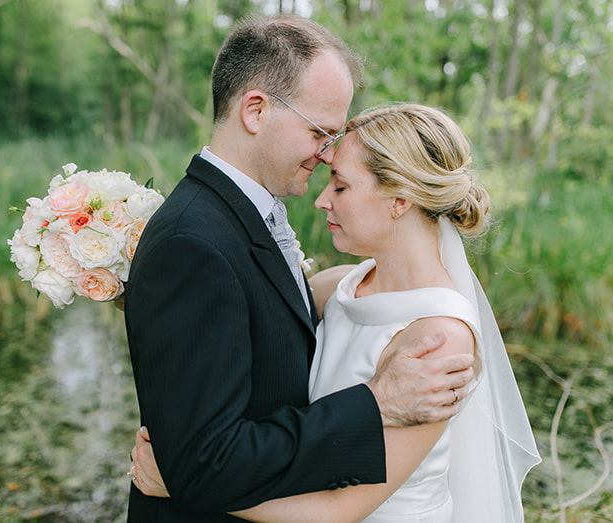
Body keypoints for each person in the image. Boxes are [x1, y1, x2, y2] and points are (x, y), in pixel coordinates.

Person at [124, 15, 475, 522]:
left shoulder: (252, 227)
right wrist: (376, 401)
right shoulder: (193, 241)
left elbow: (249, 327)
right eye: (319, 131)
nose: (328, 152)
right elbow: (203, 462)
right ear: (256, 110)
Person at [131, 103, 542, 521]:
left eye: (341, 186)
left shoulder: (439, 340)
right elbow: (242, 311)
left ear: (399, 199)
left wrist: (188, 484)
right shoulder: (341, 285)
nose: (322, 200)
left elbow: (339, 509)